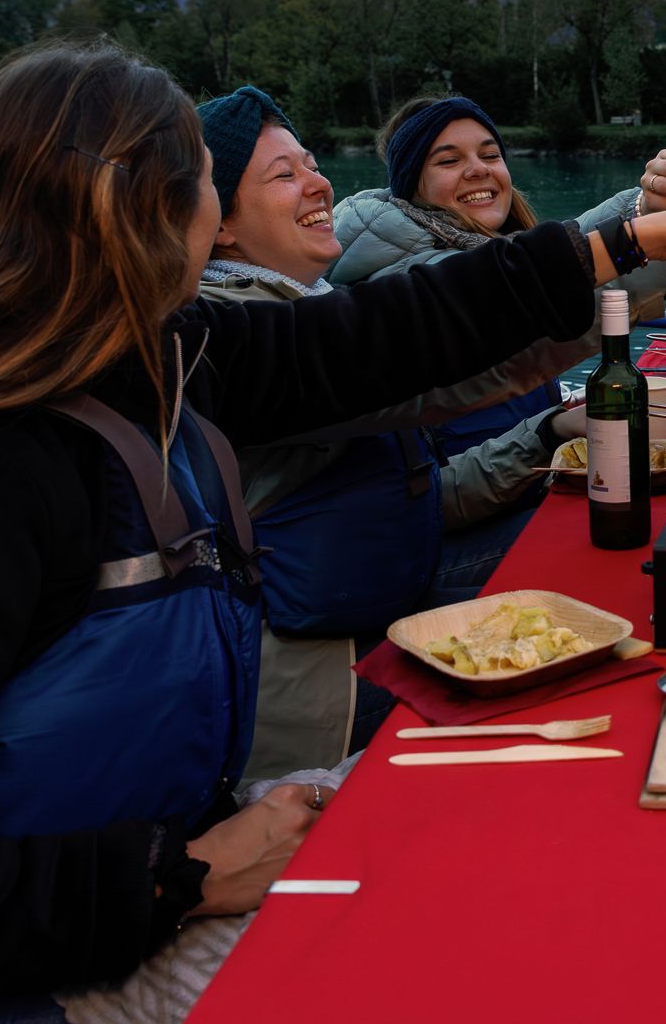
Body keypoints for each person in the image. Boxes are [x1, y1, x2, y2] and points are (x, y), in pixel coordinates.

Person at [0, 41, 666, 1024]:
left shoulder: (156, 357)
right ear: (155, 214)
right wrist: (182, 874)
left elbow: (384, 333)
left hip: (111, 915)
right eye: (205, 177)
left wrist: (639, 240)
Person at [194, 86, 586, 776]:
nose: (318, 181)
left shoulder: (314, 302)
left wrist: (548, 430)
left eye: (312, 162)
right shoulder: (243, 343)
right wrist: (649, 235)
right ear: (216, 222)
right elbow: (462, 359)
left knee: (582, 555)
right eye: (285, 174)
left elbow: (423, 491)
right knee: (579, 595)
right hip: (317, 688)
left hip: (390, 597)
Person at [328, 94, 666, 564]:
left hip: (521, 495)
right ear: (411, 185)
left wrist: (646, 203)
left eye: (490, 155)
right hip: (448, 547)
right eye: (449, 161)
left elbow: (567, 248)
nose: (479, 169)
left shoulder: (485, 247)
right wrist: (664, 241)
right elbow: (544, 296)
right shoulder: (416, 280)